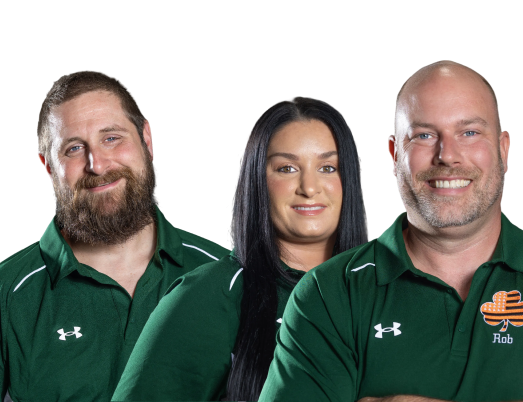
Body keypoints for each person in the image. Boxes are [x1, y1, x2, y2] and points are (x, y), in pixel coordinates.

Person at [259, 60, 523, 402]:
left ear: (504, 149)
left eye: (470, 133)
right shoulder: (328, 294)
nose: (447, 155)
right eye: (424, 135)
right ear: (394, 155)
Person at [0, 71, 229, 401]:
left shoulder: (227, 277)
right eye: (74, 148)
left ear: (147, 138)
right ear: (48, 166)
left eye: (112, 138)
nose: (97, 164)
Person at [112, 96, 371, 401]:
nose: (309, 187)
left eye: (328, 167)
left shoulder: (385, 290)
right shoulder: (209, 295)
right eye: (287, 168)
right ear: (258, 181)